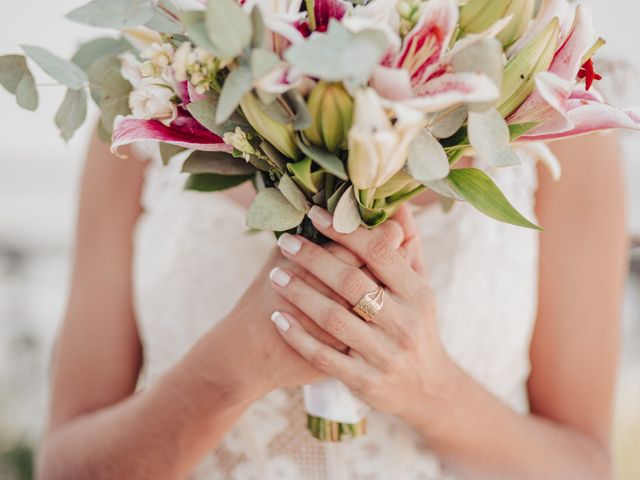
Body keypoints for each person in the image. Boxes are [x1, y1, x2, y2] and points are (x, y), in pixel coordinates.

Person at [37, 128, 626, 479]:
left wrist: (430, 390)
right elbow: (64, 467)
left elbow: (586, 469)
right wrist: (224, 371)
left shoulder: (559, 121)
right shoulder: (150, 97)